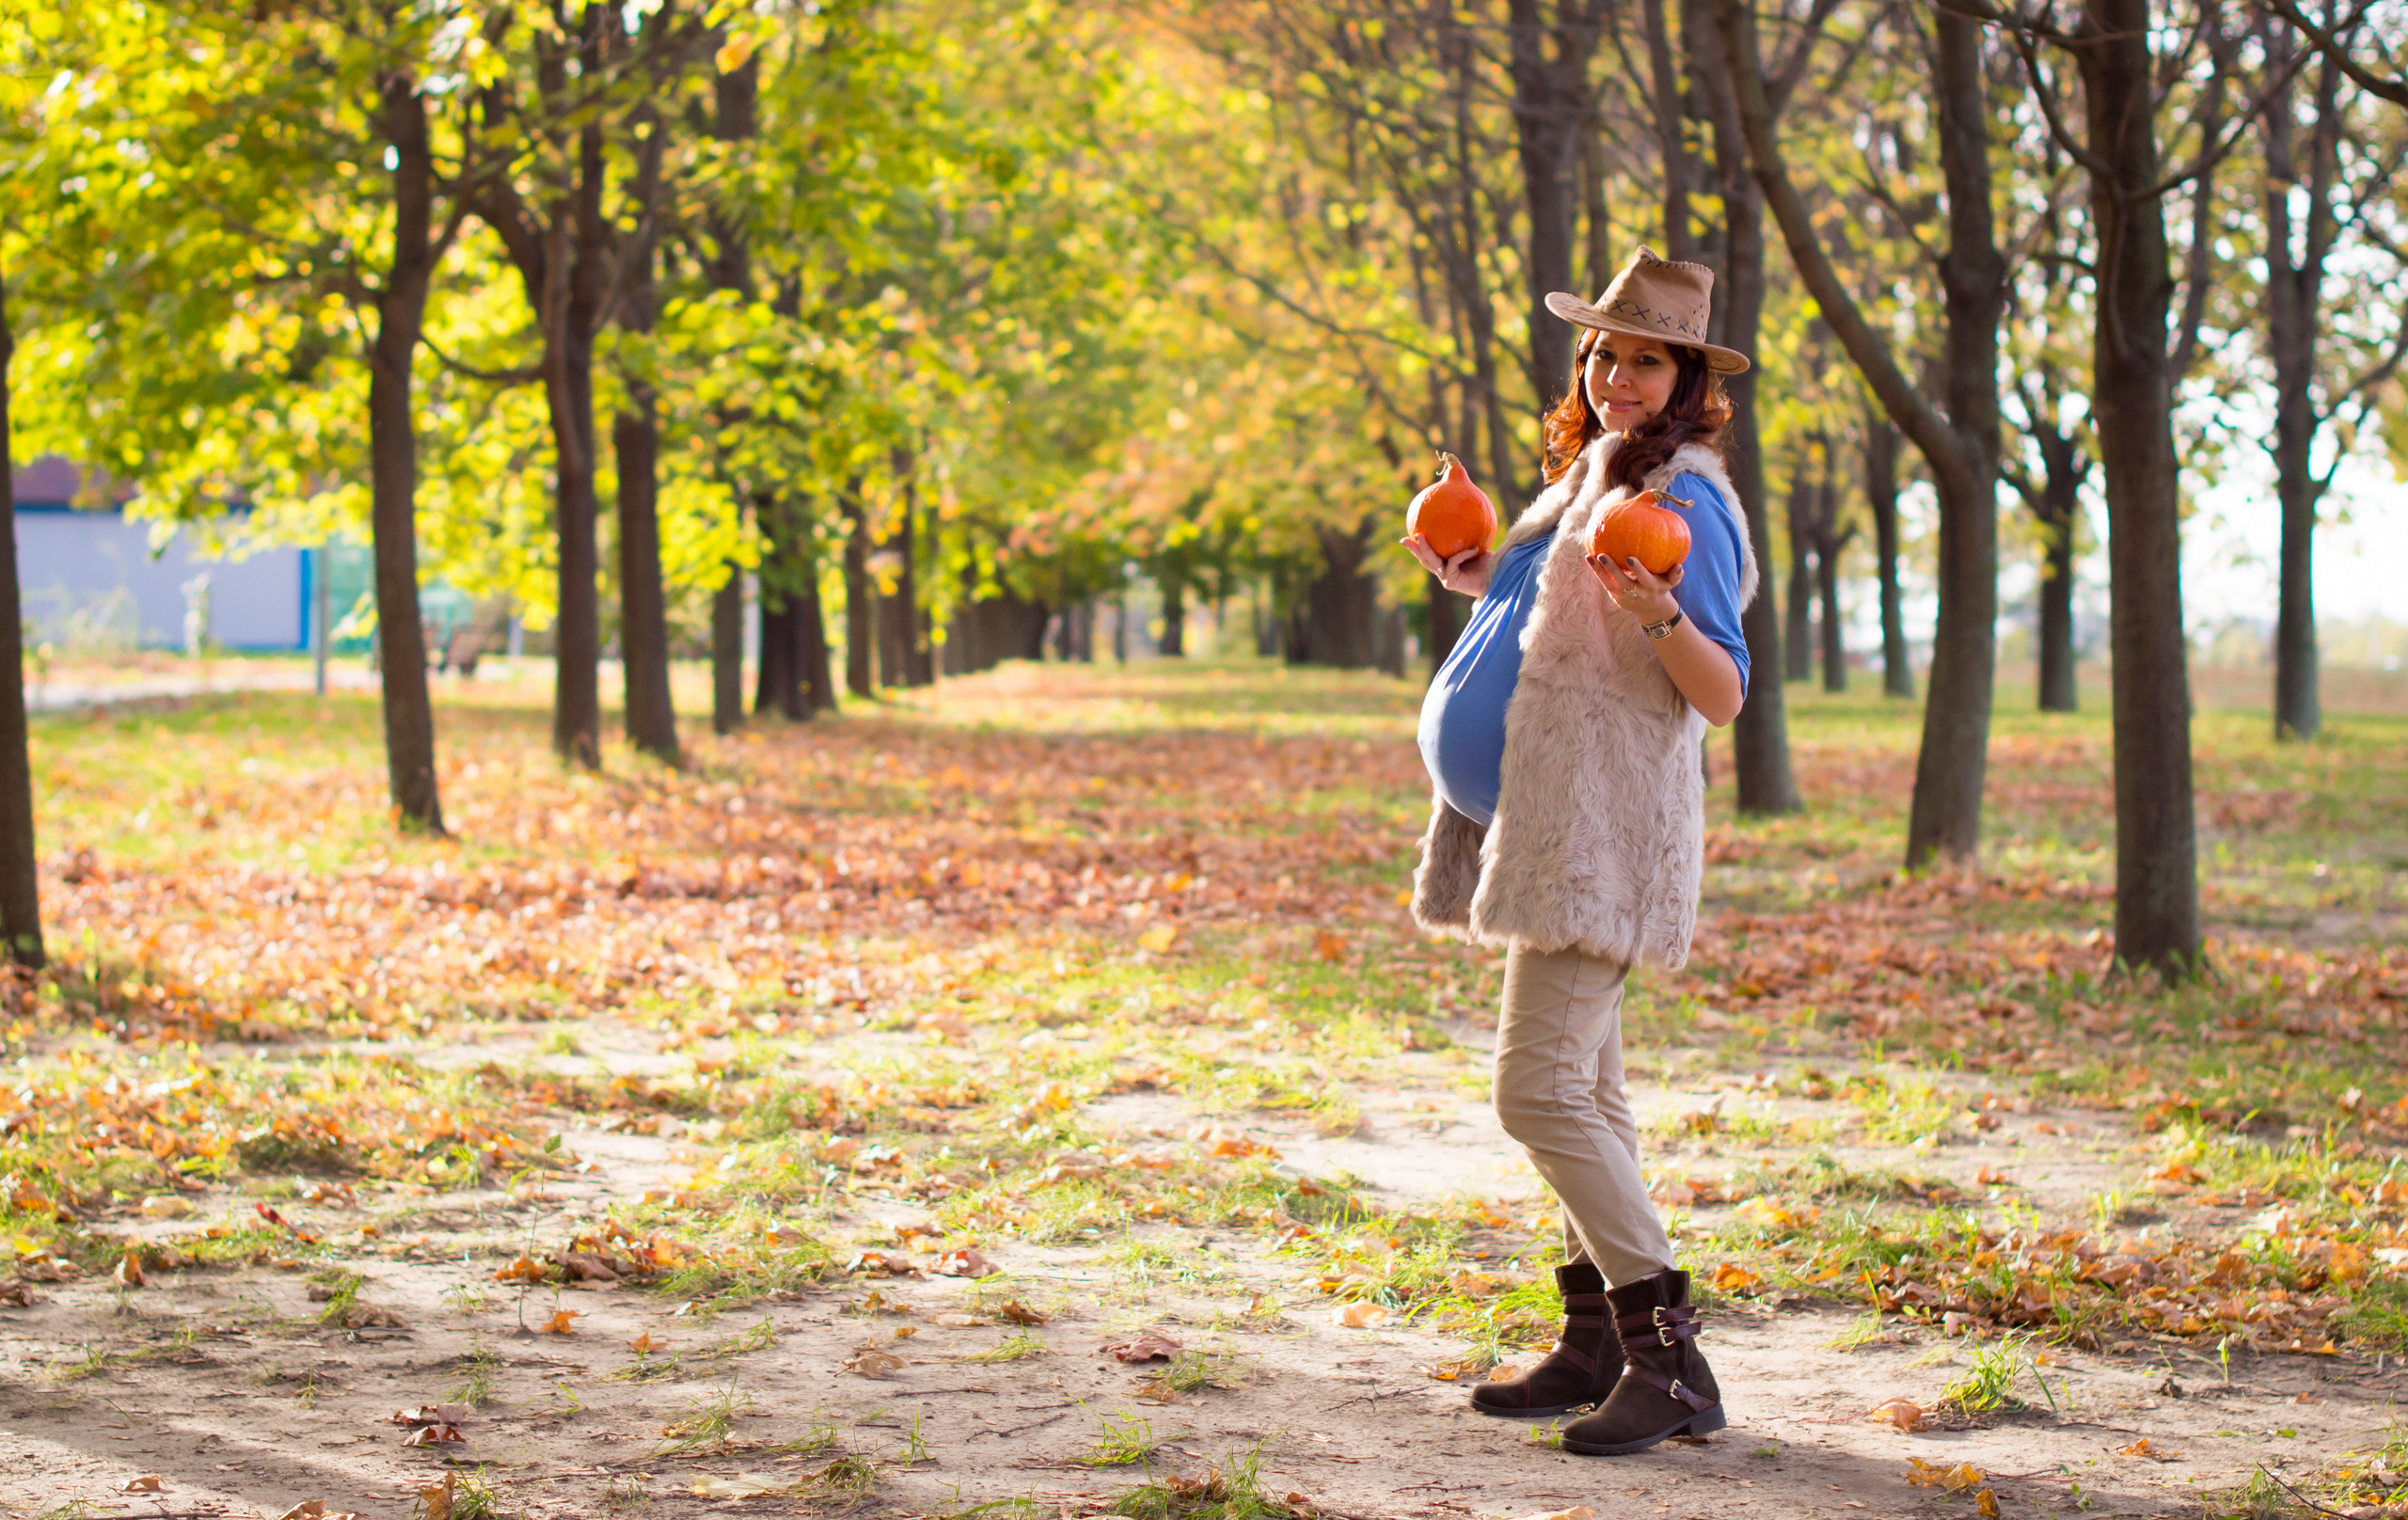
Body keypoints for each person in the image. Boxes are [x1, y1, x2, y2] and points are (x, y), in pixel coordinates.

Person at [1400, 246, 1757, 1457]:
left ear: (1689, 374)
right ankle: (1596, 1343)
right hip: (1540, 826)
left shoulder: (1688, 503)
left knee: (1537, 1091)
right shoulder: (1585, 479)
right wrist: (1473, 578)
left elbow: (1720, 692)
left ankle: (1674, 1364)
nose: (1615, 372)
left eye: (1643, 355)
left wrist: (1659, 609)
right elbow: (1551, 637)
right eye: (1603, 351)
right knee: (1588, 1093)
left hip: (1594, 833)